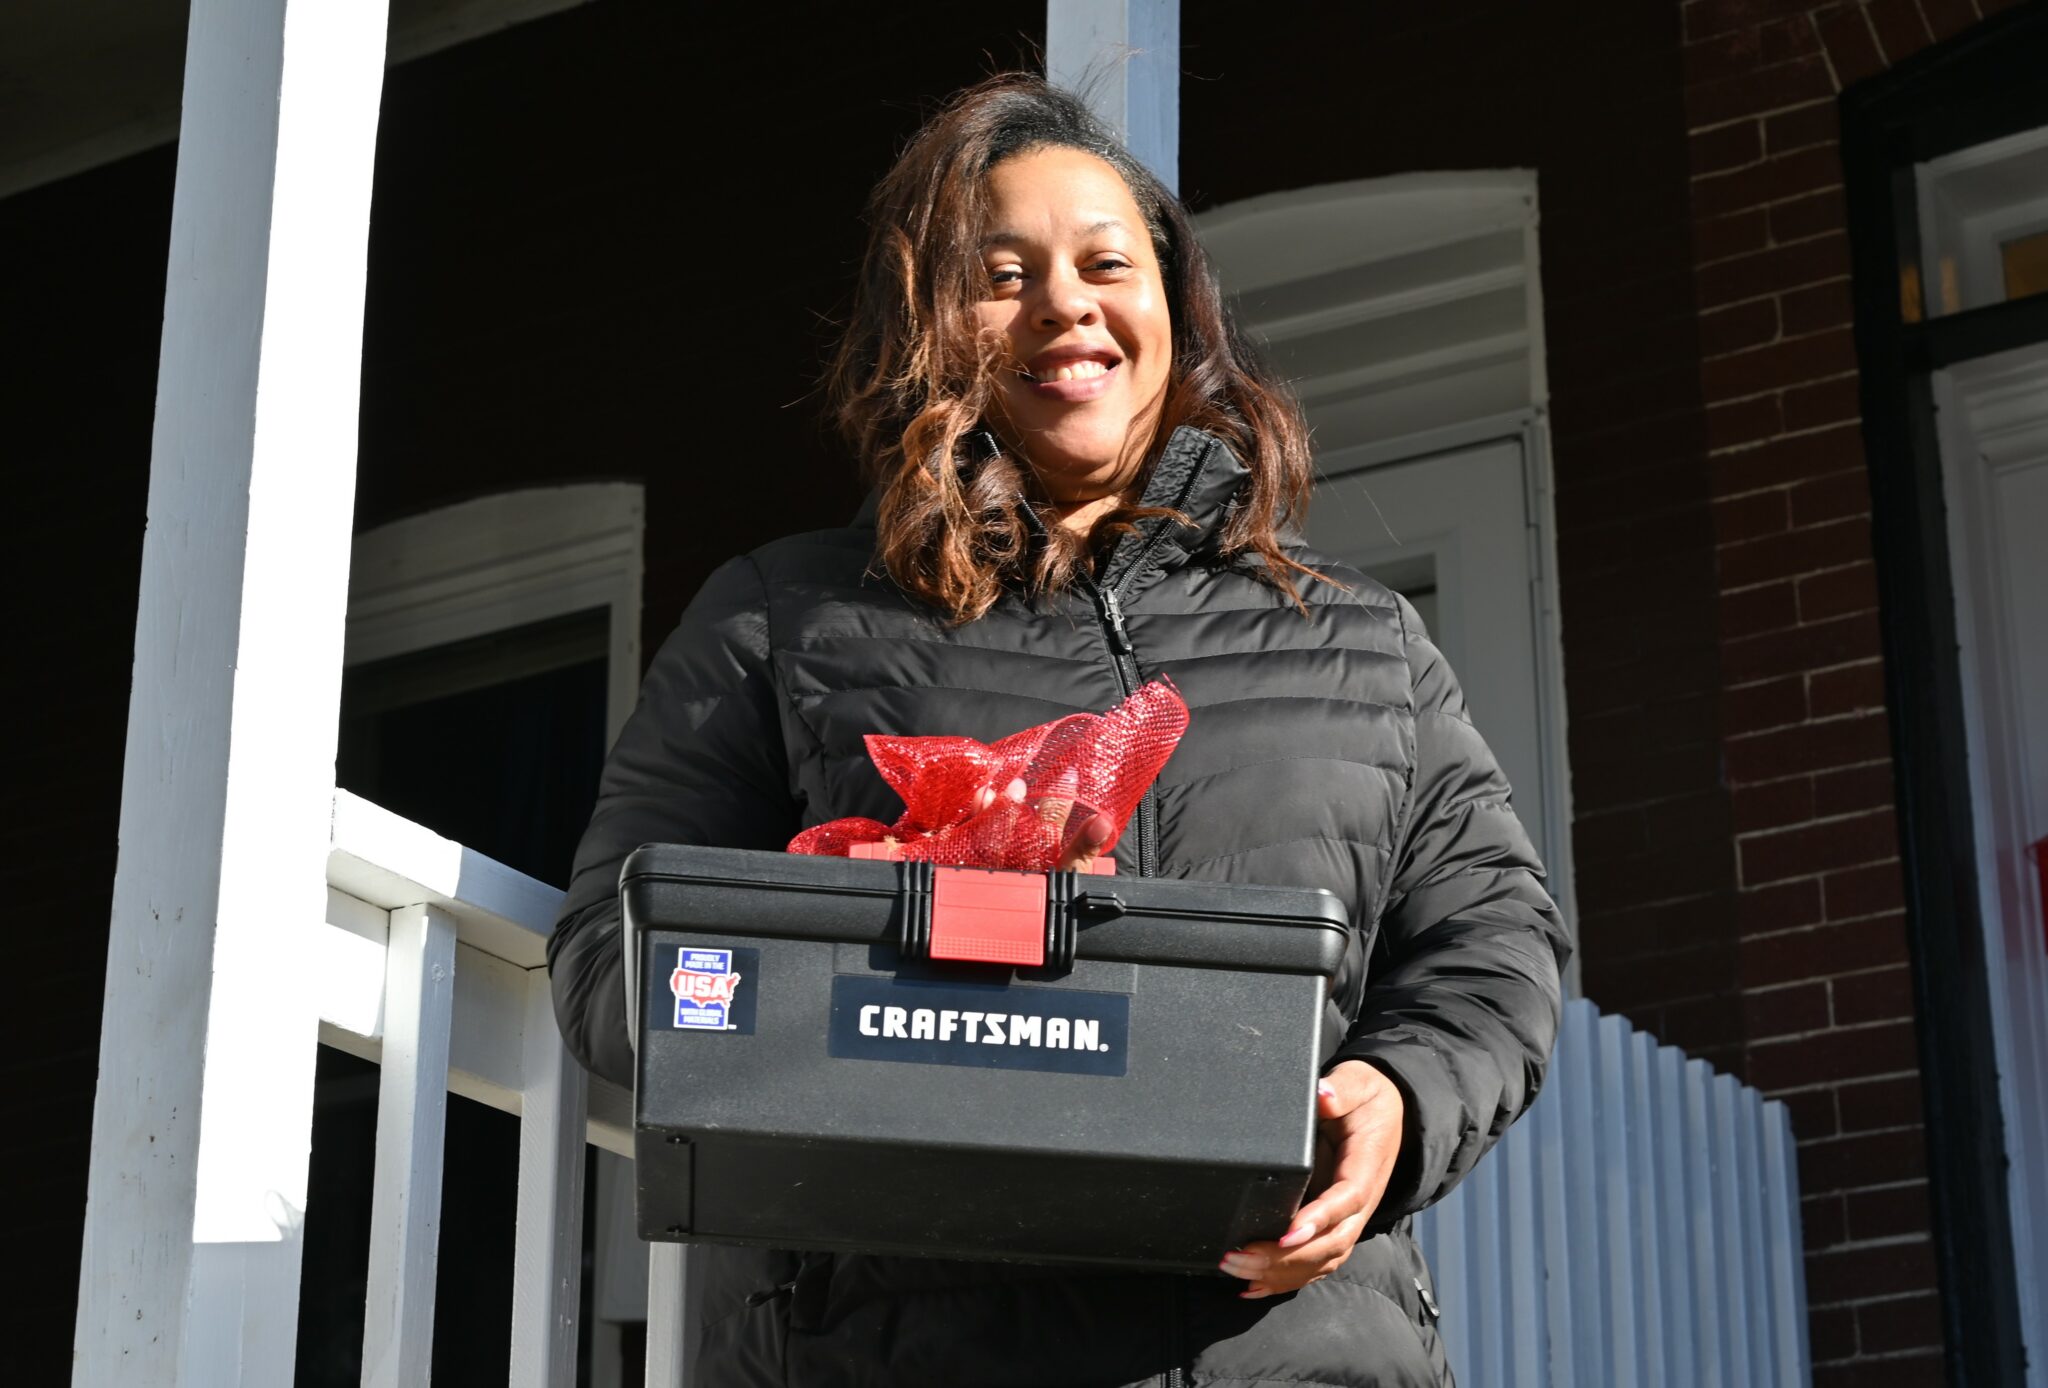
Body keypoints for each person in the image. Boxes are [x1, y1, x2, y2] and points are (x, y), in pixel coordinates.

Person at [549, 73, 1568, 1388]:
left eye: (1106, 264)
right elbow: (610, 956)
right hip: (899, 1347)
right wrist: (845, 956)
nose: (1066, 307)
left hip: (1290, 1350)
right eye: (1004, 273)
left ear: (1172, 308)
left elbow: (1494, 941)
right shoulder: (784, 619)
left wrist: (1402, 1097)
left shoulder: (1356, 639)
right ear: (928, 323)